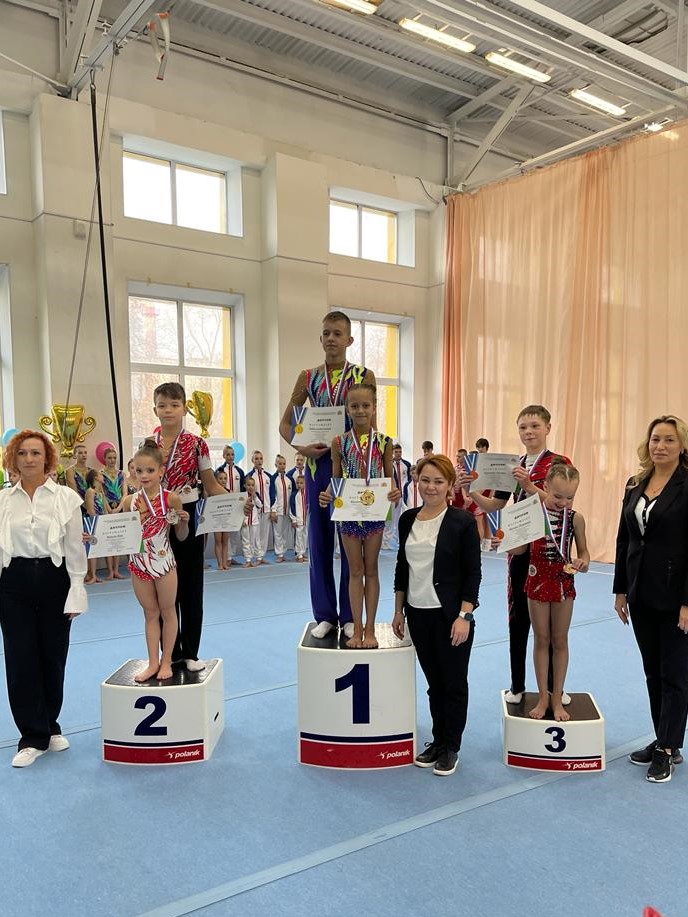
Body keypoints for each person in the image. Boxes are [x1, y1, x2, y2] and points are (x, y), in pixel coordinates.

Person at [459, 405, 571, 705]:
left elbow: (561, 503)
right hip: (520, 549)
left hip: (550, 552)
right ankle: (518, 684)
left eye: (535, 426)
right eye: (523, 427)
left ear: (548, 428)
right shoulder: (513, 464)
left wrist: (529, 486)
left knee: (551, 627)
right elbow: (495, 506)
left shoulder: (559, 464)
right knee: (518, 618)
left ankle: (554, 689)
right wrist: (471, 491)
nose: (529, 432)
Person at [279, 310, 375, 638]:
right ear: (320, 339)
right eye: (326, 333)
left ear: (349, 339)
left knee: (351, 542)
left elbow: (372, 425)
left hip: (352, 468)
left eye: (337, 333)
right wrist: (302, 448)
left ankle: (349, 614)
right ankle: (324, 614)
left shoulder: (363, 375)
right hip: (318, 466)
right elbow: (285, 424)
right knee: (318, 541)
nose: (331, 338)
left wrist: (370, 466)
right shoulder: (308, 377)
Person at [0, 429, 87, 767]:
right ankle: (31, 736)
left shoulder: (66, 498)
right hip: (13, 582)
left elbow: (74, 547)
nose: (29, 459)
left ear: (47, 458)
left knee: (53, 656)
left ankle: (51, 726)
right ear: (13, 459)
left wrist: (76, 589)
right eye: (22, 453)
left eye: (35, 453)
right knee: (20, 658)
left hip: (55, 580)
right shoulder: (3, 501)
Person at [392, 455, 481, 777]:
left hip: (451, 616)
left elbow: (473, 574)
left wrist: (464, 616)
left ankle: (451, 746)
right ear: (417, 481)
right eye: (425, 480)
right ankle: (438, 740)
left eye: (438, 481)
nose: (431, 487)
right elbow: (402, 567)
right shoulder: (407, 519)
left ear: (450, 486)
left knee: (453, 684)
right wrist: (398, 609)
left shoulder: (462, 522)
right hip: (418, 614)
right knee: (434, 685)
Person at [614, 414, 688, 783]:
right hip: (641, 592)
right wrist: (620, 589)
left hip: (676, 596)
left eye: (669, 440)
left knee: (675, 674)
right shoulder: (635, 484)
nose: (661, 446)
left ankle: (669, 748)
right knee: (652, 672)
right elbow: (624, 539)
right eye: (656, 439)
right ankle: (663, 736)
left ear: (682, 445)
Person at [149, 382, 227, 671]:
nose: (168, 410)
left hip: (189, 515)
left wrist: (236, 503)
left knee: (191, 586)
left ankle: (191, 652)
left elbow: (211, 485)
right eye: (162, 405)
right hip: (156, 519)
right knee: (161, 588)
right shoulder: (148, 444)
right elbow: (139, 482)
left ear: (184, 409)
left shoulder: (197, 444)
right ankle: (169, 653)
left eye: (174, 405)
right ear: (155, 409)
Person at [319, 383, 400, 648]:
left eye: (366, 405)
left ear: (374, 408)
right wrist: (326, 494)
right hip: (349, 513)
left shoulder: (384, 442)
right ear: (347, 409)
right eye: (355, 406)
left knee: (371, 570)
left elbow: (388, 478)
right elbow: (335, 479)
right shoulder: (339, 442)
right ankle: (356, 629)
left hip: (374, 512)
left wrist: (394, 491)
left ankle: (371, 629)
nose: (361, 410)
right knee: (355, 571)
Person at [509, 460, 589, 722]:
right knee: (541, 639)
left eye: (570, 497)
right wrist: (505, 540)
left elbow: (585, 554)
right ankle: (543, 696)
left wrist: (582, 562)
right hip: (536, 581)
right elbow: (519, 550)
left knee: (560, 640)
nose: (563, 502)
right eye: (557, 496)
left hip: (563, 582)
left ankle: (557, 697)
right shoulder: (532, 513)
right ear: (544, 487)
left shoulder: (576, 519)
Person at [122, 440, 189, 682]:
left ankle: (167, 660)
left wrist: (183, 522)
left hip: (163, 563)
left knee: (168, 611)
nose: (144, 475)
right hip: (139, 563)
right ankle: (152, 662)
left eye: (150, 470)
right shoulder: (130, 502)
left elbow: (181, 536)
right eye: (139, 470)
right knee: (150, 613)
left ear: (161, 471)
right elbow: (122, 534)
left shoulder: (171, 499)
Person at [214, 445, 244, 565]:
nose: (230, 457)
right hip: (223, 505)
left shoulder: (240, 471)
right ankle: (225, 558)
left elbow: (243, 489)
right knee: (224, 533)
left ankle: (231, 557)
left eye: (232, 454)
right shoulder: (219, 471)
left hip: (236, 505)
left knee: (235, 532)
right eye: (228, 455)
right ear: (223, 456)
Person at [101, 447, 126, 580]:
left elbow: (125, 493)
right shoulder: (100, 474)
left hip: (119, 507)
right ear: (104, 459)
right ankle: (110, 570)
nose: (112, 460)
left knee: (118, 540)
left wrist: (119, 508)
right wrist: (108, 509)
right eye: (109, 458)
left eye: (114, 458)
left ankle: (116, 570)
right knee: (108, 540)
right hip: (106, 508)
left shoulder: (121, 474)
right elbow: (101, 493)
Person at [84, 468, 112, 585]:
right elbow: (91, 510)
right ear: (96, 477)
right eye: (101, 474)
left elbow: (107, 510)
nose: (103, 476)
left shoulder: (101, 493)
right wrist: (98, 523)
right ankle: (92, 575)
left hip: (101, 522)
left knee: (104, 548)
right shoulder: (90, 491)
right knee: (92, 550)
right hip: (92, 523)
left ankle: (110, 572)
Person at [383, 444, 411, 550]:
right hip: (393, 495)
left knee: (401, 518)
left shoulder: (407, 464)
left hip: (404, 495)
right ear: (392, 453)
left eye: (400, 452)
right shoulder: (389, 465)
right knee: (390, 520)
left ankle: (400, 539)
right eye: (396, 452)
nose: (398, 454)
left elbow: (409, 479)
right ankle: (387, 542)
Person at [270, 454, 294, 563]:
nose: (282, 465)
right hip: (278, 511)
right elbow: (272, 495)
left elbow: (293, 496)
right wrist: (273, 510)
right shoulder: (273, 479)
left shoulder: (289, 479)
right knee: (278, 533)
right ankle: (279, 554)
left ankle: (283, 552)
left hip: (287, 510)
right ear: (276, 465)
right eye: (280, 464)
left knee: (285, 533)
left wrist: (293, 511)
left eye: (284, 464)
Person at [241, 477, 263, 567]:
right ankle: (248, 560)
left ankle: (255, 557)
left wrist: (255, 497)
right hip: (245, 522)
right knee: (245, 541)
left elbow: (260, 505)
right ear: (244, 486)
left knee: (253, 541)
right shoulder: (242, 496)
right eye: (248, 485)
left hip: (254, 522)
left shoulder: (256, 495)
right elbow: (239, 509)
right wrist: (242, 520)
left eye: (252, 485)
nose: (250, 487)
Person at [213, 468, 231, 570]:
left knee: (225, 542)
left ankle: (225, 563)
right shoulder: (213, 492)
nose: (223, 480)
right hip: (216, 519)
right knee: (218, 541)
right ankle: (219, 564)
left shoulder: (229, 492)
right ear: (216, 480)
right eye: (220, 478)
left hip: (226, 518)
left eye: (225, 478)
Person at [290, 474, 308, 562]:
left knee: (305, 536)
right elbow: (292, 508)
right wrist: (294, 519)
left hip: (306, 520)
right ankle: (299, 554)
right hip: (299, 520)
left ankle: (303, 552)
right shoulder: (294, 495)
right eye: (297, 483)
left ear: (305, 484)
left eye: (301, 483)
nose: (299, 485)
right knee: (298, 537)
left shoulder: (308, 494)